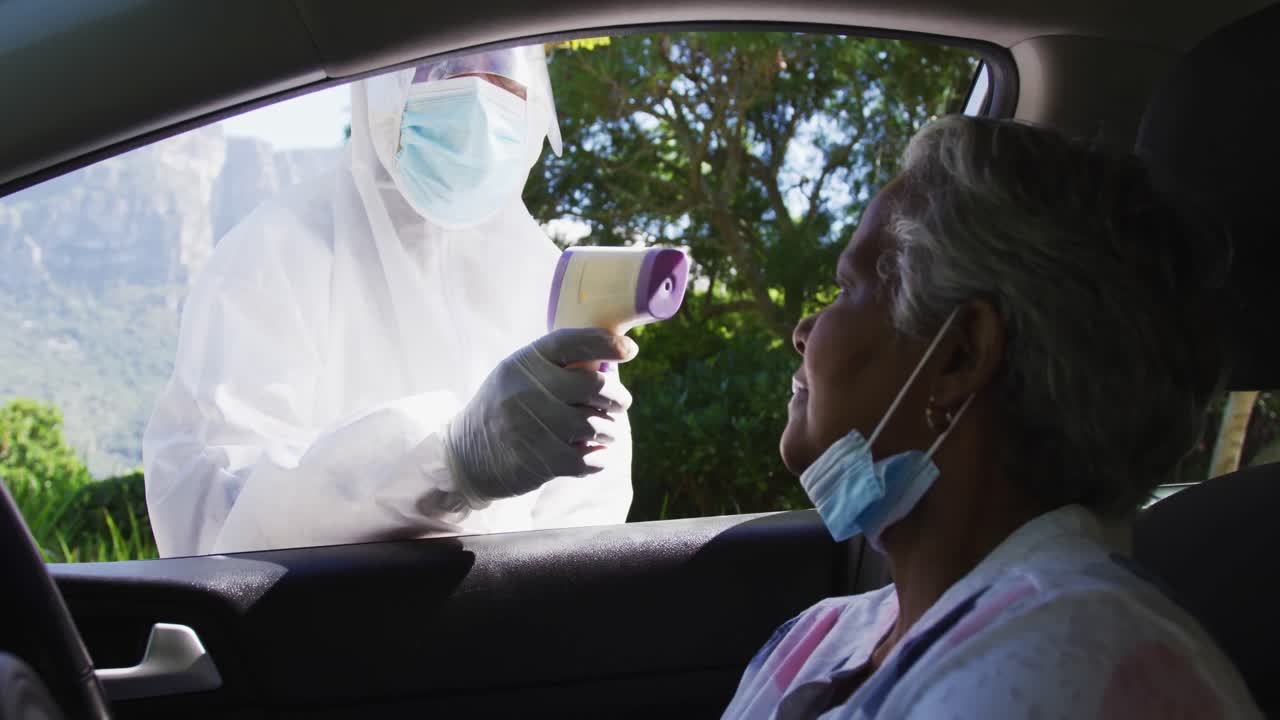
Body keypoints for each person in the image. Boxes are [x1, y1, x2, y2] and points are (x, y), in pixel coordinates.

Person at [723, 116, 1262, 718]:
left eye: (848, 288)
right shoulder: (825, 634)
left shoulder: (1058, 670)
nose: (803, 332)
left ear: (959, 355)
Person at [143, 44, 636, 557]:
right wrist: (450, 462)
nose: (476, 89)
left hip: (510, 628)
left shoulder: (544, 275)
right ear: (380, 80)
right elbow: (216, 527)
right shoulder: (274, 254)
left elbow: (586, 525)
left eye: (500, 64)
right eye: (446, 64)